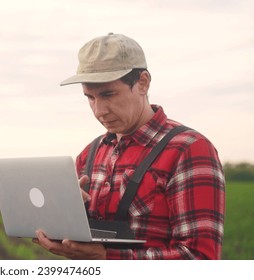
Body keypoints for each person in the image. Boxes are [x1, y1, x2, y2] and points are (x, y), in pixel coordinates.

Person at [32, 33, 225, 260]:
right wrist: (66, 221)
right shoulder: (88, 155)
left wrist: (107, 259)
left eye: (108, 94)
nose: (99, 111)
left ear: (143, 83)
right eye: (90, 98)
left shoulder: (189, 149)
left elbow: (199, 258)